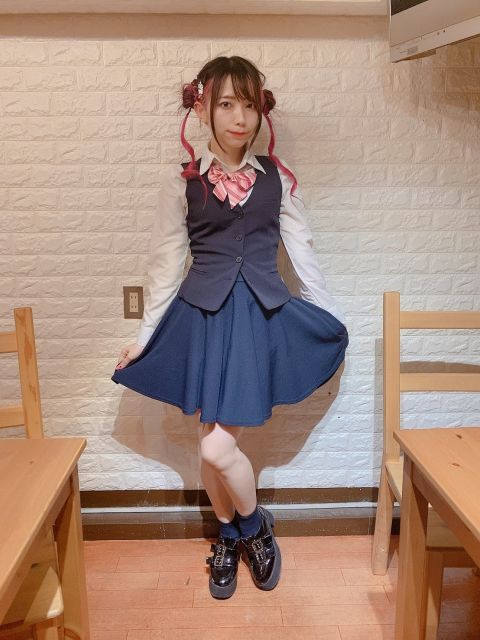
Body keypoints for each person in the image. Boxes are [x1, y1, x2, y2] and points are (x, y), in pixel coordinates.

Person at [111, 55, 349, 600]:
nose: (240, 117)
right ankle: (234, 533)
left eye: (248, 104)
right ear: (202, 109)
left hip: (257, 318)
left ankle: (251, 526)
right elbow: (165, 265)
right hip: (201, 317)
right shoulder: (182, 182)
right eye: (225, 104)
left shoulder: (279, 181)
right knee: (207, 446)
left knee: (219, 450)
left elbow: (304, 254)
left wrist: (328, 317)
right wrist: (144, 339)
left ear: (261, 110)